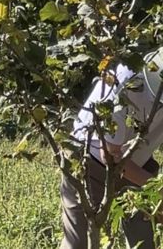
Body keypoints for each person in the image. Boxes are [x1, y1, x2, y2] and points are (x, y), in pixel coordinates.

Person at [60, 54, 163, 249]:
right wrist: (158, 192)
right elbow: (110, 156)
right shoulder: (124, 82)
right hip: (89, 161)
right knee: (78, 243)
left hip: (138, 164)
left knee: (145, 243)